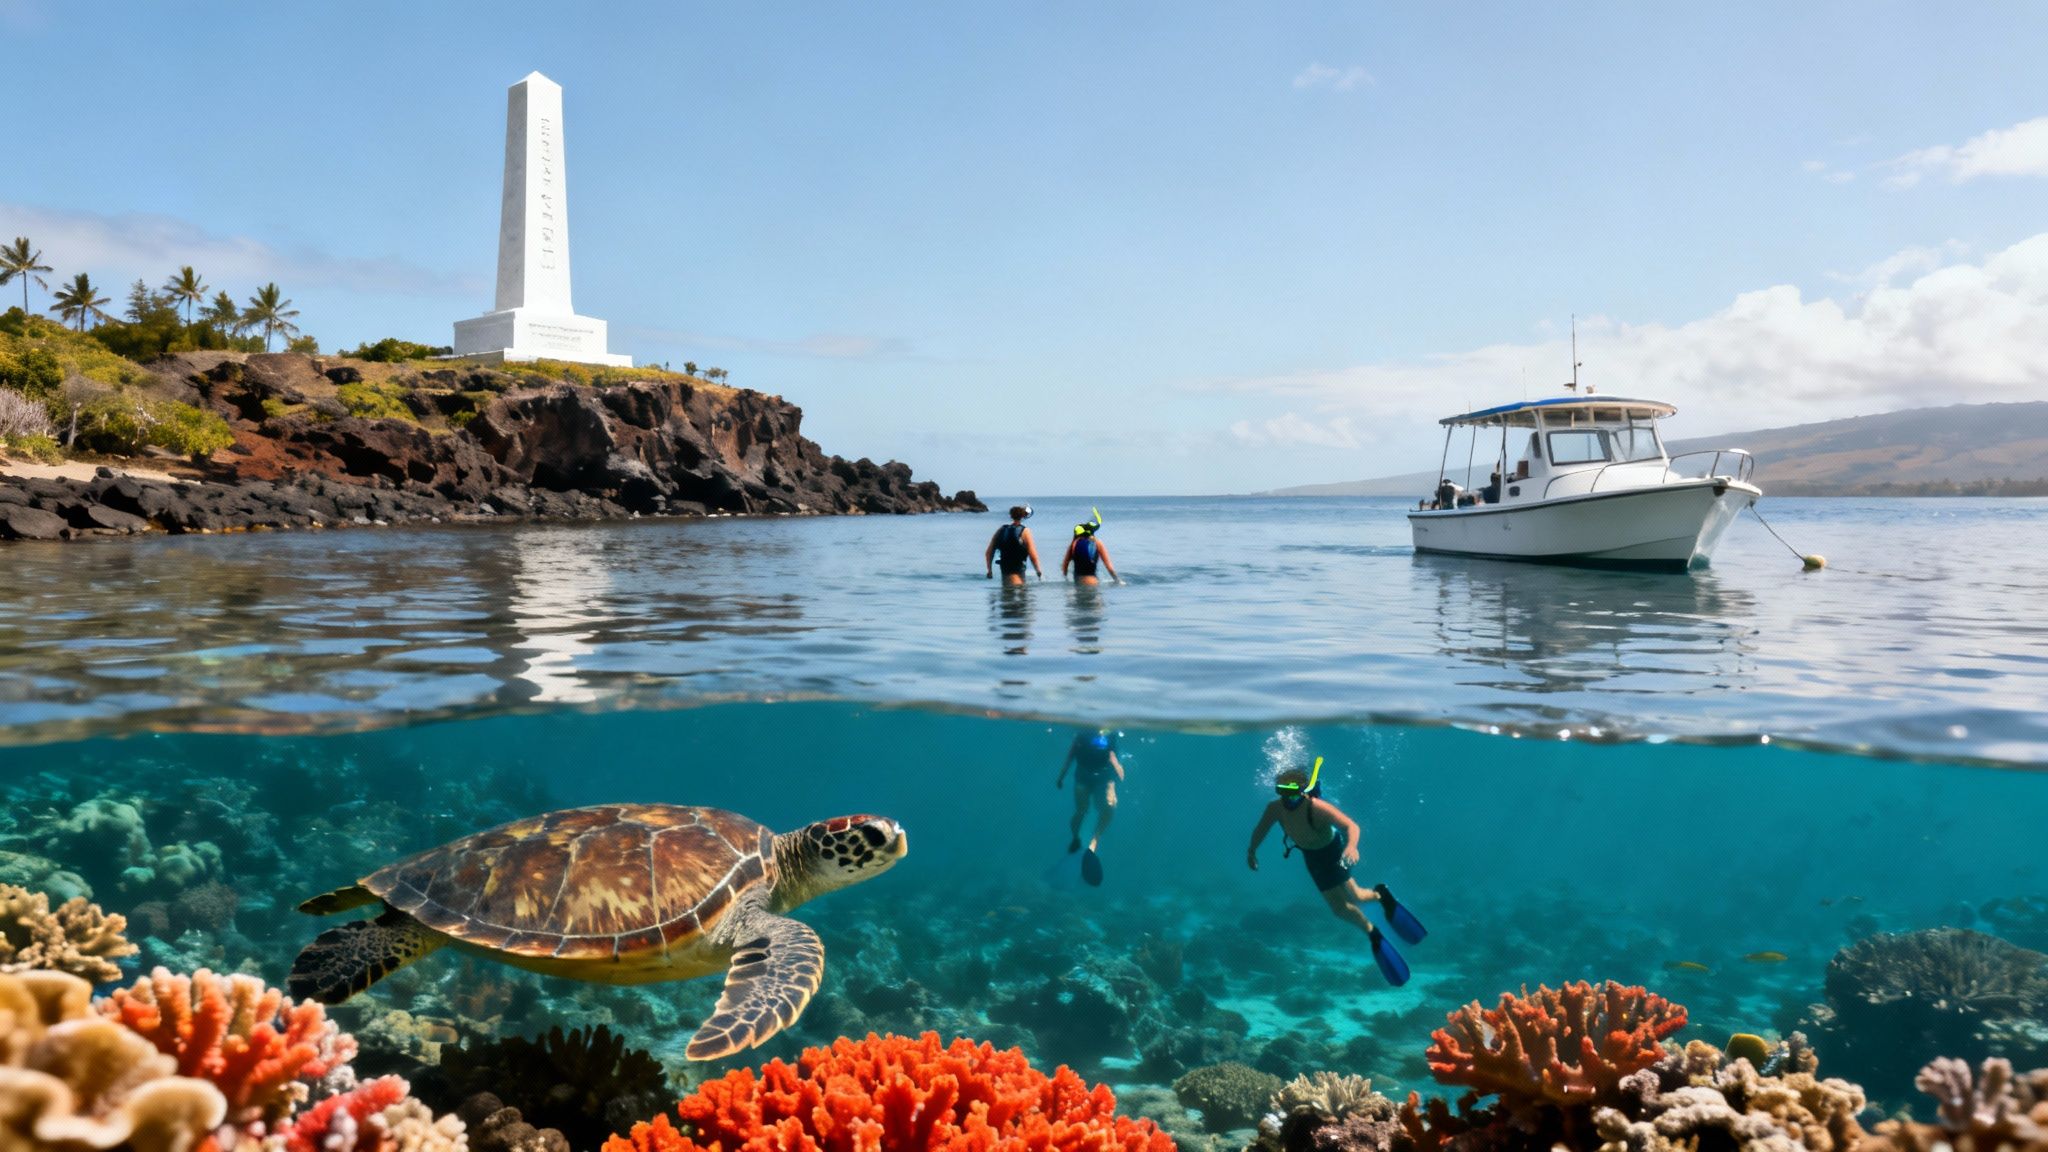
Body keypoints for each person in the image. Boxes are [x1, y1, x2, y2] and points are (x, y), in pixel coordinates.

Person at [1245, 758, 1427, 985]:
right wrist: (1252, 851)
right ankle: (1372, 931)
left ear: (1302, 791)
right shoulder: (1275, 809)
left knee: (1357, 897)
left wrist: (1351, 847)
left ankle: (1382, 896)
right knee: (1339, 908)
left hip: (1332, 852)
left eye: (1291, 793)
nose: (1287, 798)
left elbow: (1351, 826)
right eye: (1281, 792)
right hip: (1311, 856)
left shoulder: (1317, 808)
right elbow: (1260, 829)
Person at [1056, 727, 1123, 886]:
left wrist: (1116, 777)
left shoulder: (1108, 735)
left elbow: (1113, 757)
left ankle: (1093, 842)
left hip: (1103, 776)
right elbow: (1070, 757)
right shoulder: (1082, 734)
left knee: (1109, 808)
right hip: (1084, 776)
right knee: (1082, 810)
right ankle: (1076, 839)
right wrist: (1061, 777)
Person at [985, 505, 1042, 585]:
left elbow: (989, 552)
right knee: (1020, 591)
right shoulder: (1025, 531)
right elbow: (1033, 555)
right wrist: (1038, 571)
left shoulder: (1001, 530)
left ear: (1011, 515)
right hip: (1018, 570)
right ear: (1022, 516)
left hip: (1005, 568)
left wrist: (989, 570)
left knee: (1006, 593)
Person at [1062, 515, 1120, 585]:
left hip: (1078, 584)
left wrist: (1066, 579)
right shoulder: (1098, 543)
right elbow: (1109, 567)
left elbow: (1065, 565)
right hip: (1093, 583)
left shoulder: (1073, 544)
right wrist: (1117, 580)